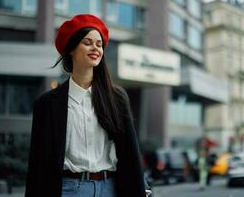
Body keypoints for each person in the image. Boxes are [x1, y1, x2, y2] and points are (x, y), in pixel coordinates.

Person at [25, 14, 151, 197]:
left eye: (99, 44)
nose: (95, 48)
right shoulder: (47, 104)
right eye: (88, 42)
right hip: (69, 190)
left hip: (112, 188)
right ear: (71, 49)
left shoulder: (117, 98)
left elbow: (130, 153)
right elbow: (37, 164)